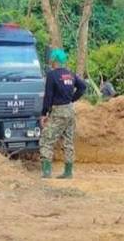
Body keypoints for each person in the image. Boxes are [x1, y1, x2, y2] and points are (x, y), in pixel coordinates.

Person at [39, 48, 86, 179]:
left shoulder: (52, 75)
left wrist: (44, 114)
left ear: (54, 61)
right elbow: (83, 87)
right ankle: (68, 172)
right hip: (70, 110)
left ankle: (47, 171)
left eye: (51, 60)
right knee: (68, 140)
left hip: (58, 111)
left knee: (46, 139)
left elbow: (48, 96)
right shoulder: (70, 74)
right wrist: (72, 98)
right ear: (63, 61)